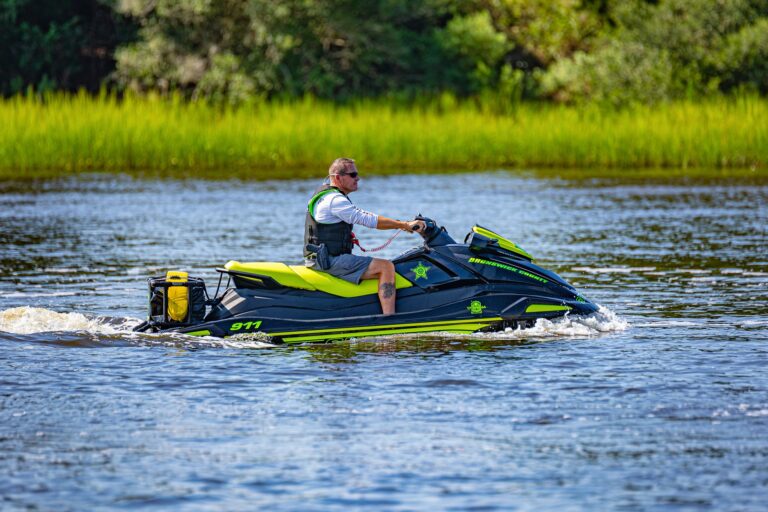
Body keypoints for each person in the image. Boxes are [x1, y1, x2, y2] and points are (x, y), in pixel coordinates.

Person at [304, 158, 425, 315]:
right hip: (329, 261)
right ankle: (390, 319)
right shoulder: (335, 200)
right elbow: (368, 219)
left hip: (320, 258)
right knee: (386, 267)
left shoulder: (324, 195)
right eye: (353, 175)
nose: (358, 178)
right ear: (338, 177)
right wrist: (403, 224)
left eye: (357, 174)